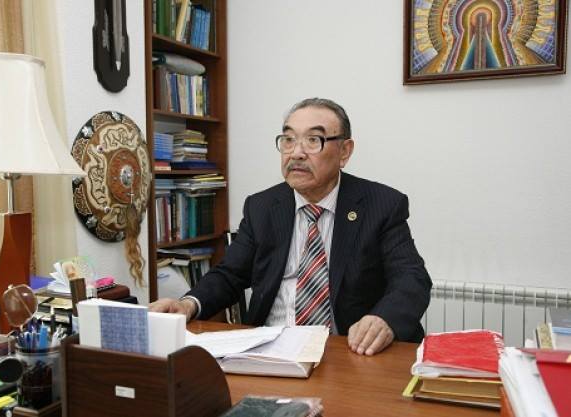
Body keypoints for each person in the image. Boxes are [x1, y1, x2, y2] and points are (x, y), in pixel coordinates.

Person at [150, 98, 432, 355]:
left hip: (347, 351)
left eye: (313, 140)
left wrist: (383, 319)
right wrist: (188, 304)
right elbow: (230, 274)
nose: (296, 153)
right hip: (271, 348)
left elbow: (412, 278)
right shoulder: (262, 207)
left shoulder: (381, 205)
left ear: (344, 151)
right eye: (288, 139)